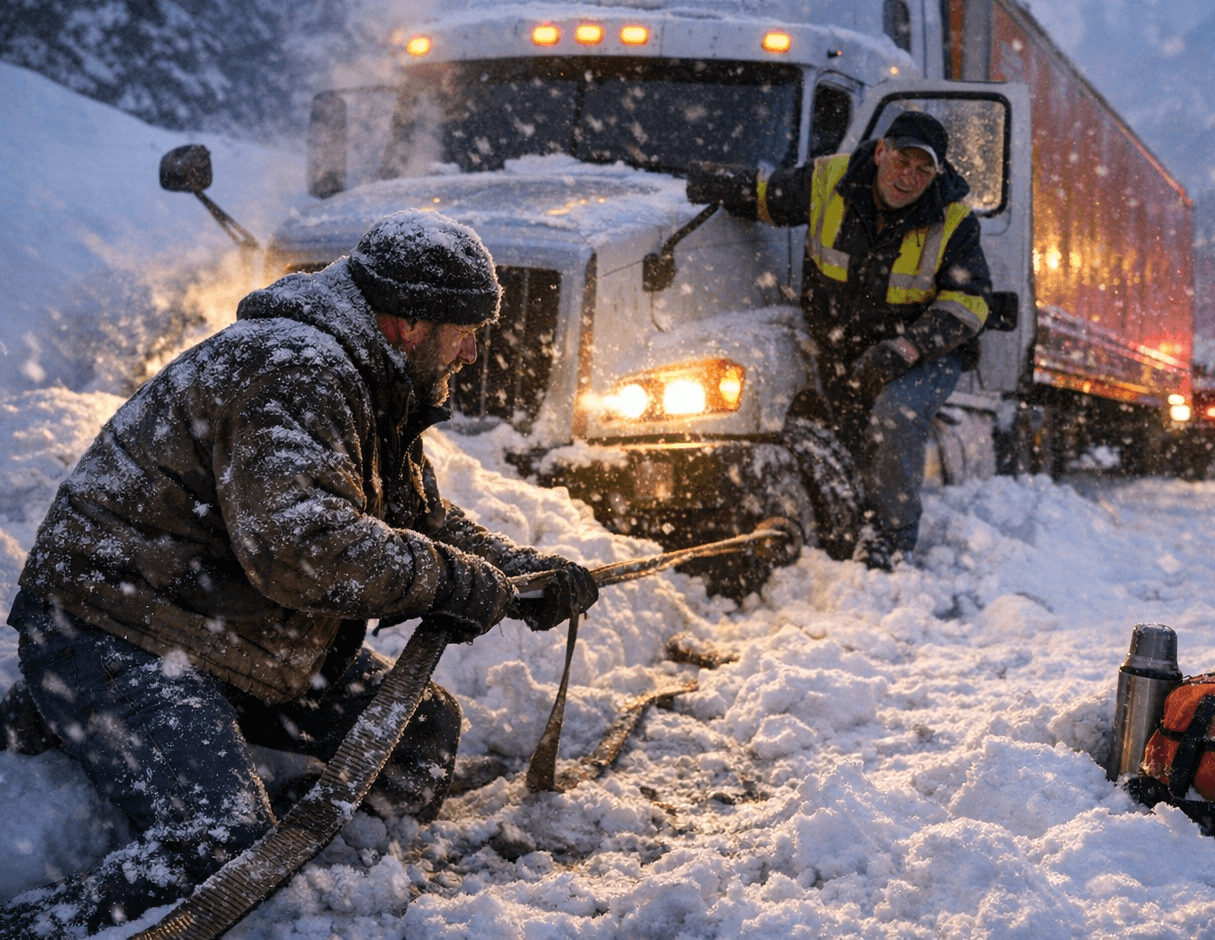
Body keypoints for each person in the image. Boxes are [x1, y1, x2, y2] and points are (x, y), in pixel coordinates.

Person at [0, 209, 599, 936]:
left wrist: (523, 574)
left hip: (221, 633)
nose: (473, 352)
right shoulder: (292, 369)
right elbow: (303, 550)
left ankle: (285, 837)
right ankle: (38, 924)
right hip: (117, 628)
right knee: (220, 842)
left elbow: (419, 521)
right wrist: (447, 581)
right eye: (465, 330)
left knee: (420, 734)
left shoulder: (368, 375)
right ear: (407, 321)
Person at [687, 110, 992, 570]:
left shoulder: (954, 221)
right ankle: (844, 527)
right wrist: (717, 184)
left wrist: (904, 349)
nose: (908, 178)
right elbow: (771, 197)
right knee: (845, 433)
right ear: (882, 152)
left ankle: (891, 542)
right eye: (901, 162)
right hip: (846, 343)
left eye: (922, 169)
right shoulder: (829, 179)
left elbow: (969, 305)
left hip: (928, 351)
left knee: (895, 412)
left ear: (937, 173)